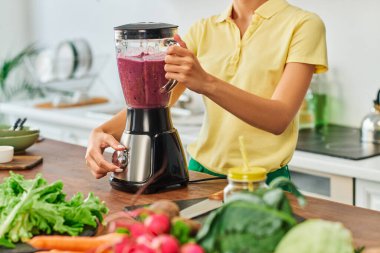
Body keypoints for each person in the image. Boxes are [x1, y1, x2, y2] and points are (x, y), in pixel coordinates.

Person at [85, 0, 328, 184]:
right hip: (199, 175)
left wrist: (206, 82)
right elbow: (158, 100)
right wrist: (102, 132)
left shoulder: (303, 25)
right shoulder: (204, 29)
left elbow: (279, 118)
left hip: (262, 183)